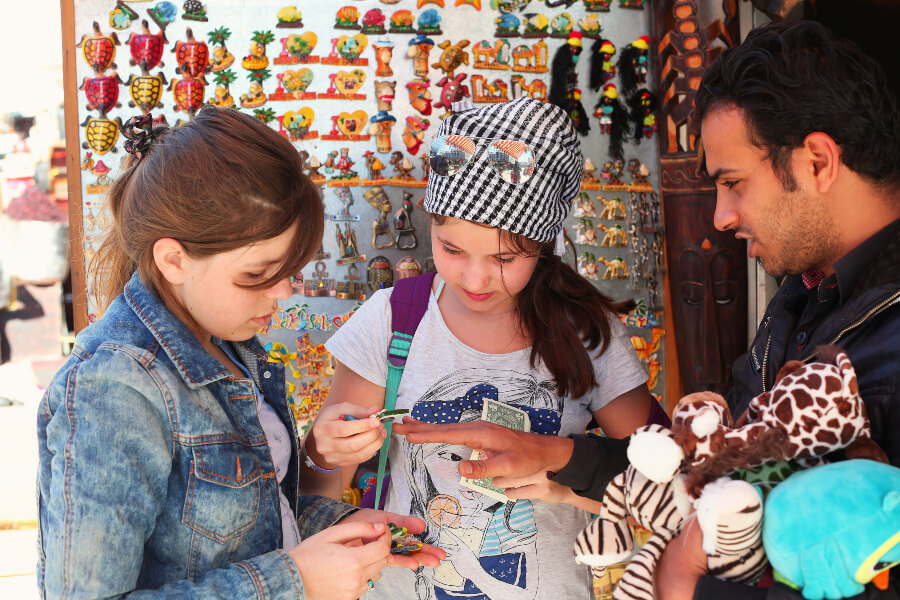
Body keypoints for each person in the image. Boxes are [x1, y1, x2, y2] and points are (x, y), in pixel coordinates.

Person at [399, 19, 900, 600]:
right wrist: (559, 457)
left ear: (817, 161)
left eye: (733, 182)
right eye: (453, 249)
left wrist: (681, 579)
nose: (721, 217)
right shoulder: (805, 298)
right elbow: (711, 475)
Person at [36, 107, 443, 599]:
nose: (284, 292)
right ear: (174, 260)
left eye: (292, 268)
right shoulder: (118, 386)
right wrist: (298, 580)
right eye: (258, 274)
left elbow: (241, 521)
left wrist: (344, 527)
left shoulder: (230, 345)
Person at [300, 96, 656, 600]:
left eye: (504, 257)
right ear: (431, 227)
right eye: (451, 249)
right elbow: (320, 494)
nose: (475, 277)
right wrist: (320, 453)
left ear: (544, 240)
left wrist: (564, 478)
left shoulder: (586, 333)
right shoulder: (392, 318)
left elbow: (667, 483)